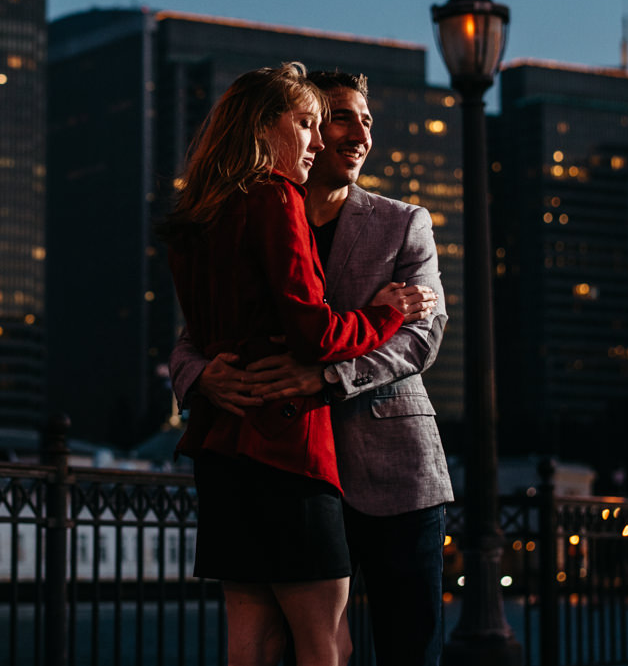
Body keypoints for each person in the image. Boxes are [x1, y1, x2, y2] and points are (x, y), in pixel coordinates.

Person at [170, 70, 453, 666]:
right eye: (337, 118)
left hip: (391, 468)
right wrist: (200, 376)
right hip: (283, 460)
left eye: (367, 121)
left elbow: (421, 337)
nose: (357, 135)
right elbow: (196, 334)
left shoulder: (404, 221)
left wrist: (325, 379)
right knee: (303, 643)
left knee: (408, 649)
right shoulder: (261, 203)